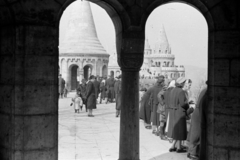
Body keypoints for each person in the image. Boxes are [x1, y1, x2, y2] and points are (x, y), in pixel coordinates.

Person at [168, 77, 189, 153]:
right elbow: (182, 103)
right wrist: (188, 105)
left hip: (173, 111)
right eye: (184, 83)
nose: (184, 84)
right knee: (180, 129)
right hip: (179, 112)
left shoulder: (172, 90)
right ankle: (179, 148)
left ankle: (173, 146)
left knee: (176, 129)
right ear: (181, 83)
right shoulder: (181, 91)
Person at [187, 87, 207, 160]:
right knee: (196, 135)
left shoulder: (205, 89)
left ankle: (192, 152)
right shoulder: (208, 90)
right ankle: (193, 153)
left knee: (195, 134)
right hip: (200, 113)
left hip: (198, 112)